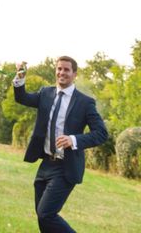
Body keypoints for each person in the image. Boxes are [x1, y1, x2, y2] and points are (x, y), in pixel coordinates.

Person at [13, 57, 108, 233]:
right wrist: (20, 77)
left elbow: (101, 134)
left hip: (66, 166)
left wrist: (74, 140)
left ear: (74, 74)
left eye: (66, 70)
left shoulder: (85, 102)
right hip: (46, 163)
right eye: (59, 69)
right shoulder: (45, 93)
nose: (61, 73)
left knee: (46, 214)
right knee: (43, 218)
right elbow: (22, 98)